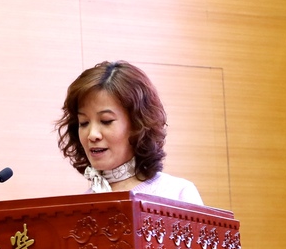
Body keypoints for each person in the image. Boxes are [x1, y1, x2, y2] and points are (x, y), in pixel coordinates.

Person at [56, 60, 204, 205]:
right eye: (84, 123)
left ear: (137, 124)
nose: (92, 134)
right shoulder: (79, 208)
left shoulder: (176, 193)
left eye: (106, 121)